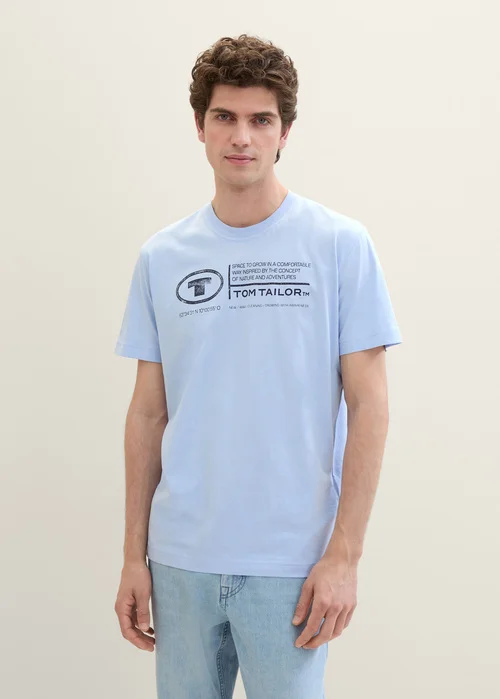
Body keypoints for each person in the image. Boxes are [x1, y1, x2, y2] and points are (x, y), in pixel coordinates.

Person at [113, 33, 402, 699]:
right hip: (180, 562)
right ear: (200, 126)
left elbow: (370, 406)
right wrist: (134, 554)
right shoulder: (163, 257)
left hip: (291, 566)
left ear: (284, 133)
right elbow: (148, 413)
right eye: (225, 116)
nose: (241, 137)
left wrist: (345, 554)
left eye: (260, 119)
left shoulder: (339, 245)